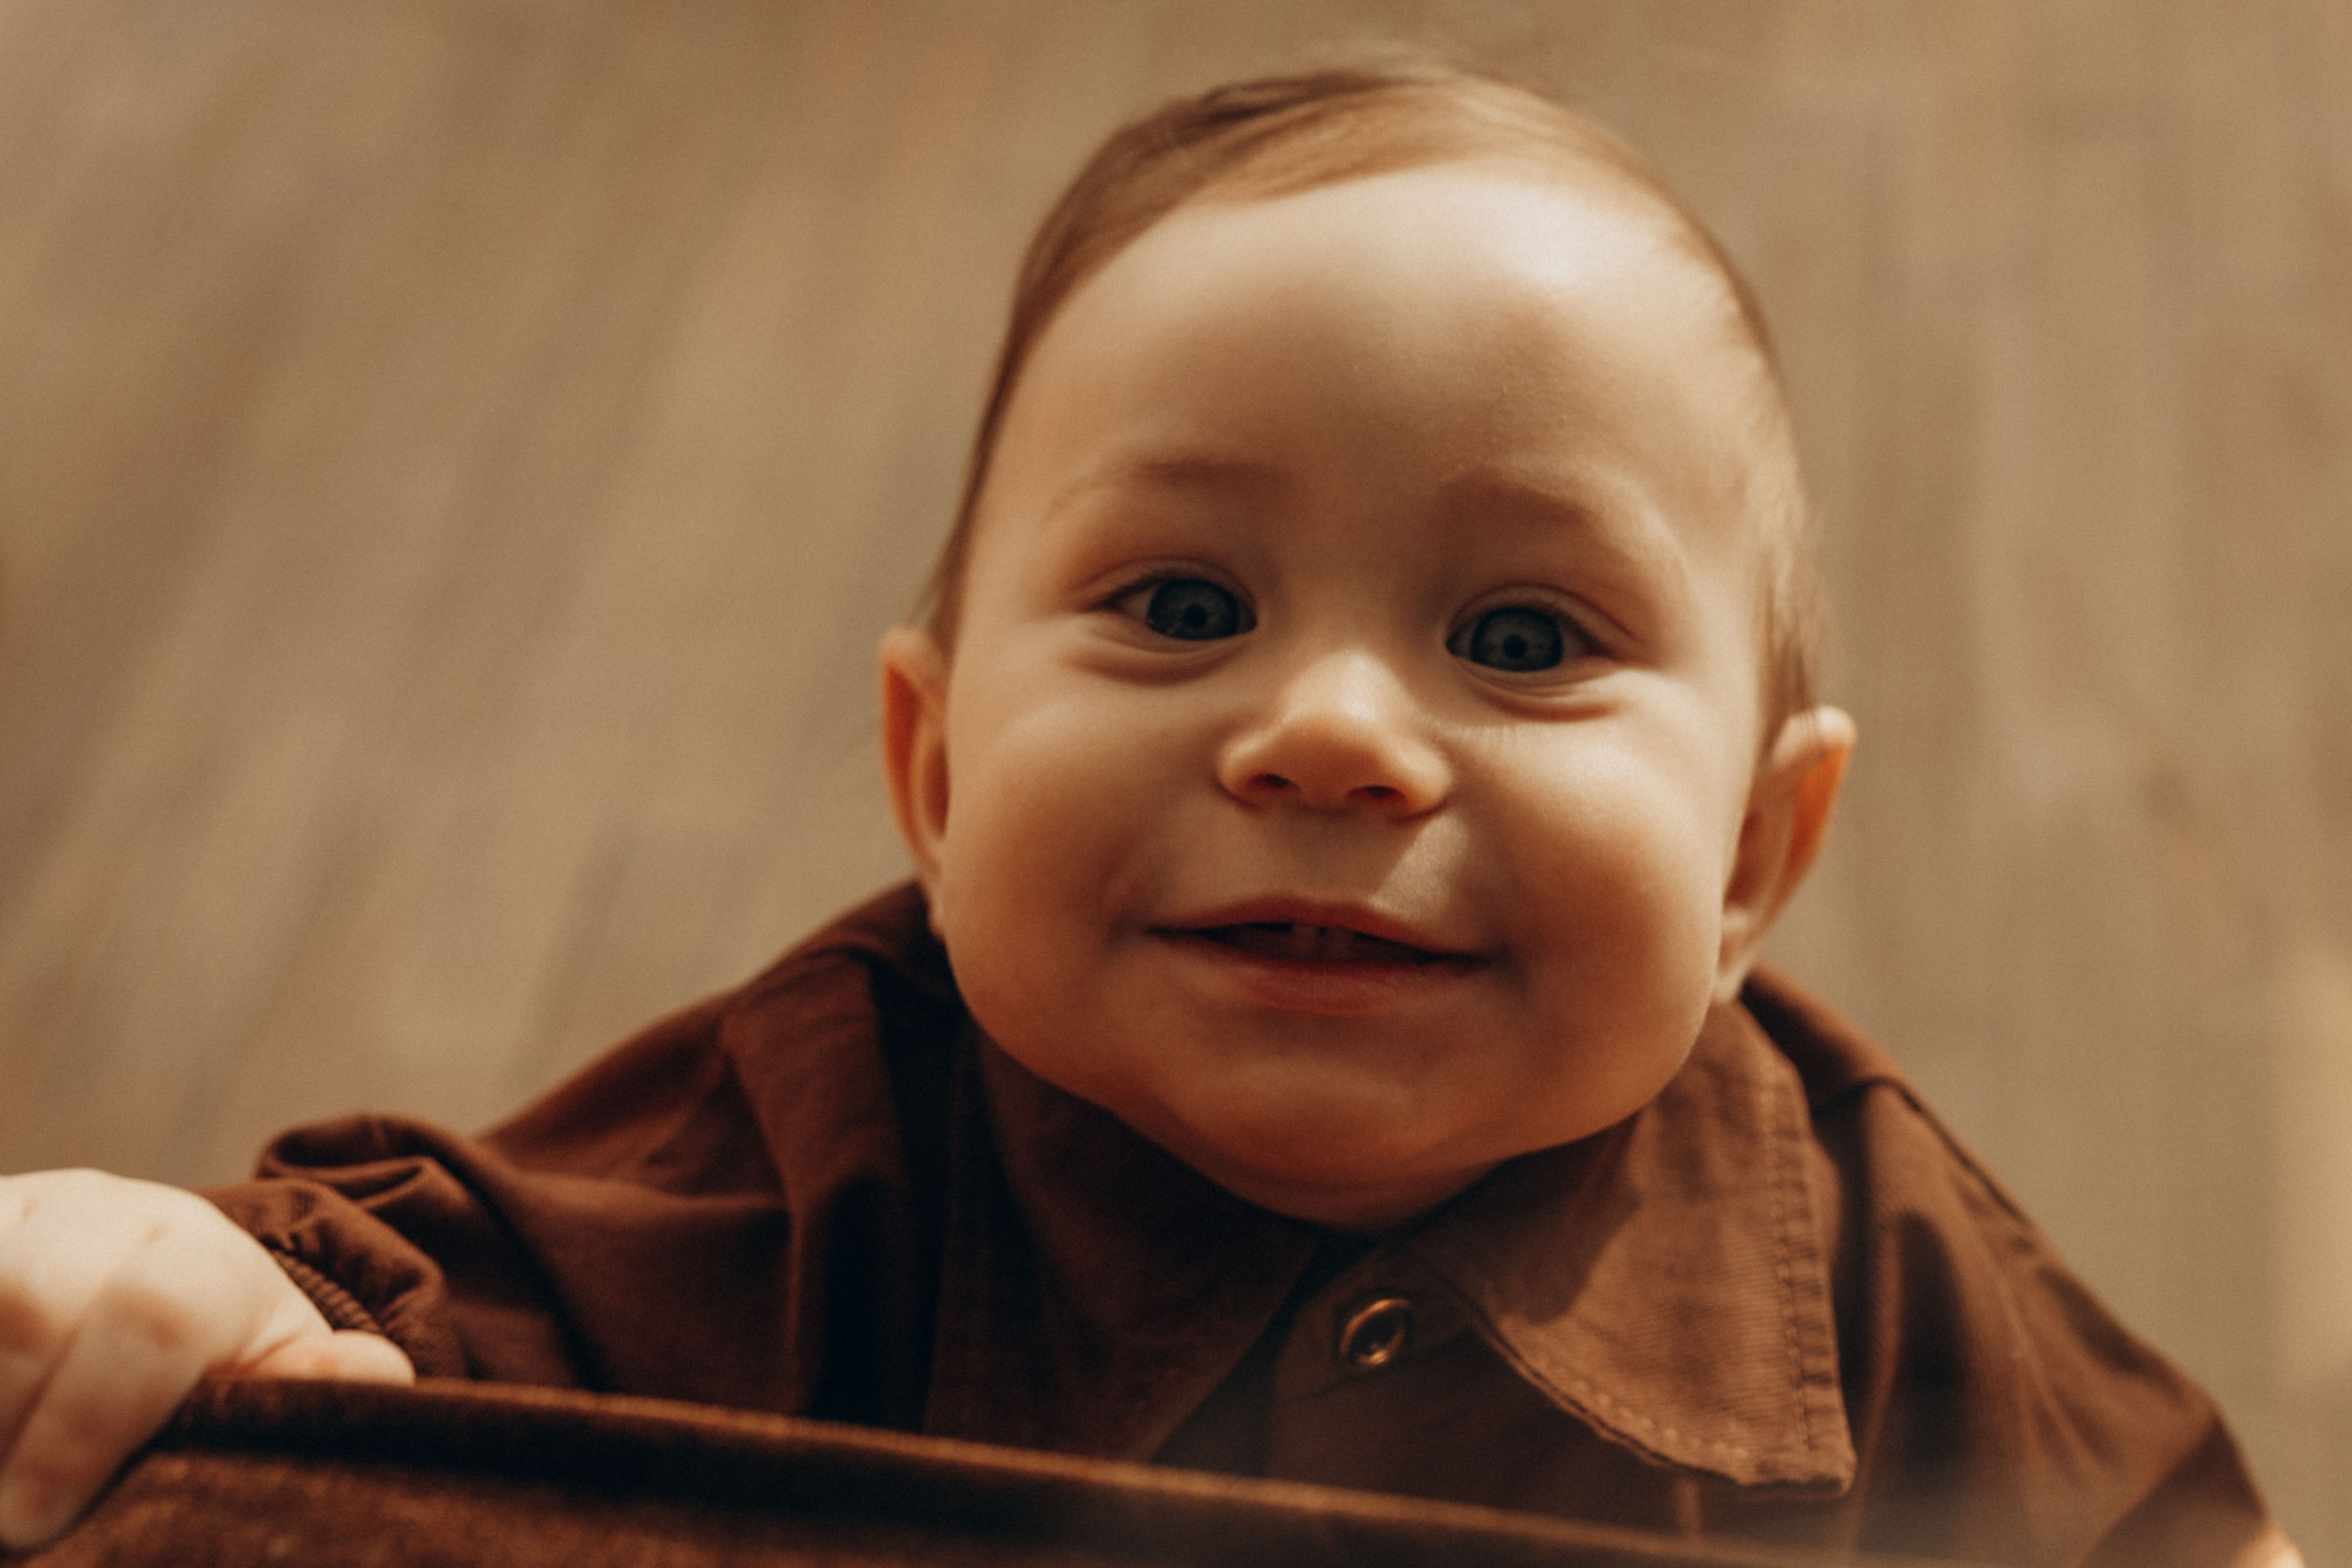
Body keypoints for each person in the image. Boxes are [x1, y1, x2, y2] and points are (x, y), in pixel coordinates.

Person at [0, 61, 2301, 1565]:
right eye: (1180, 599)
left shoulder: (1856, 1239)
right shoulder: (808, 1142)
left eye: (1517, 639)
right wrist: (161, 1278)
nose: (1324, 733)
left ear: (1746, 865)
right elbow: (376, 1321)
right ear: (930, 769)